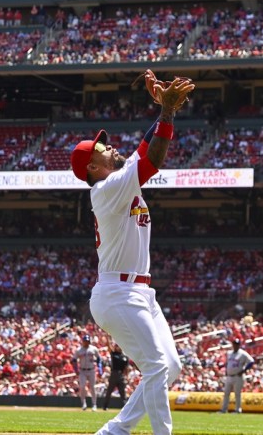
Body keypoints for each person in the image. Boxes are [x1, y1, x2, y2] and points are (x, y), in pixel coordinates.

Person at [70, 72, 194, 435]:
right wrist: (166, 112)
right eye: (101, 149)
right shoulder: (106, 188)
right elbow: (152, 158)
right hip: (117, 292)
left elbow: (143, 153)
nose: (109, 147)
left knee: (170, 366)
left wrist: (163, 110)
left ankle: (114, 430)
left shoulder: (120, 179)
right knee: (156, 365)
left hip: (139, 291)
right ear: (93, 167)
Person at [219, 337, 255, 414]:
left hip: (238, 376)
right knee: (226, 393)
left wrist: (244, 370)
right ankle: (223, 409)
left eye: (237, 344)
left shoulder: (243, 353)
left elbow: (251, 361)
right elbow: (228, 364)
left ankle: (238, 410)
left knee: (237, 394)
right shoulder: (229, 353)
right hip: (229, 376)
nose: (236, 345)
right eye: (235, 344)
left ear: (239, 345)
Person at [73, 334, 101, 411]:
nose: (86, 342)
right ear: (83, 341)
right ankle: (84, 403)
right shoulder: (79, 350)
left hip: (91, 370)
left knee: (92, 387)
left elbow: (99, 359)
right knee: (82, 387)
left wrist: (100, 369)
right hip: (82, 370)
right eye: (85, 341)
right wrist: (76, 370)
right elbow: (74, 360)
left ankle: (94, 405)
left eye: (88, 341)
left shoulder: (94, 349)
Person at [102, 342, 130, 411]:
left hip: (121, 375)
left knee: (123, 393)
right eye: (117, 346)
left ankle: (126, 408)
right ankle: (105, 406)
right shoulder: (114, 354)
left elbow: (126, 368)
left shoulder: (125, 357)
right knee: (109, 391)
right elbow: (109, 347)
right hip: (114, 374)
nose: (118, 347)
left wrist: (127, 376)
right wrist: (108, 338)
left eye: (119, 346)